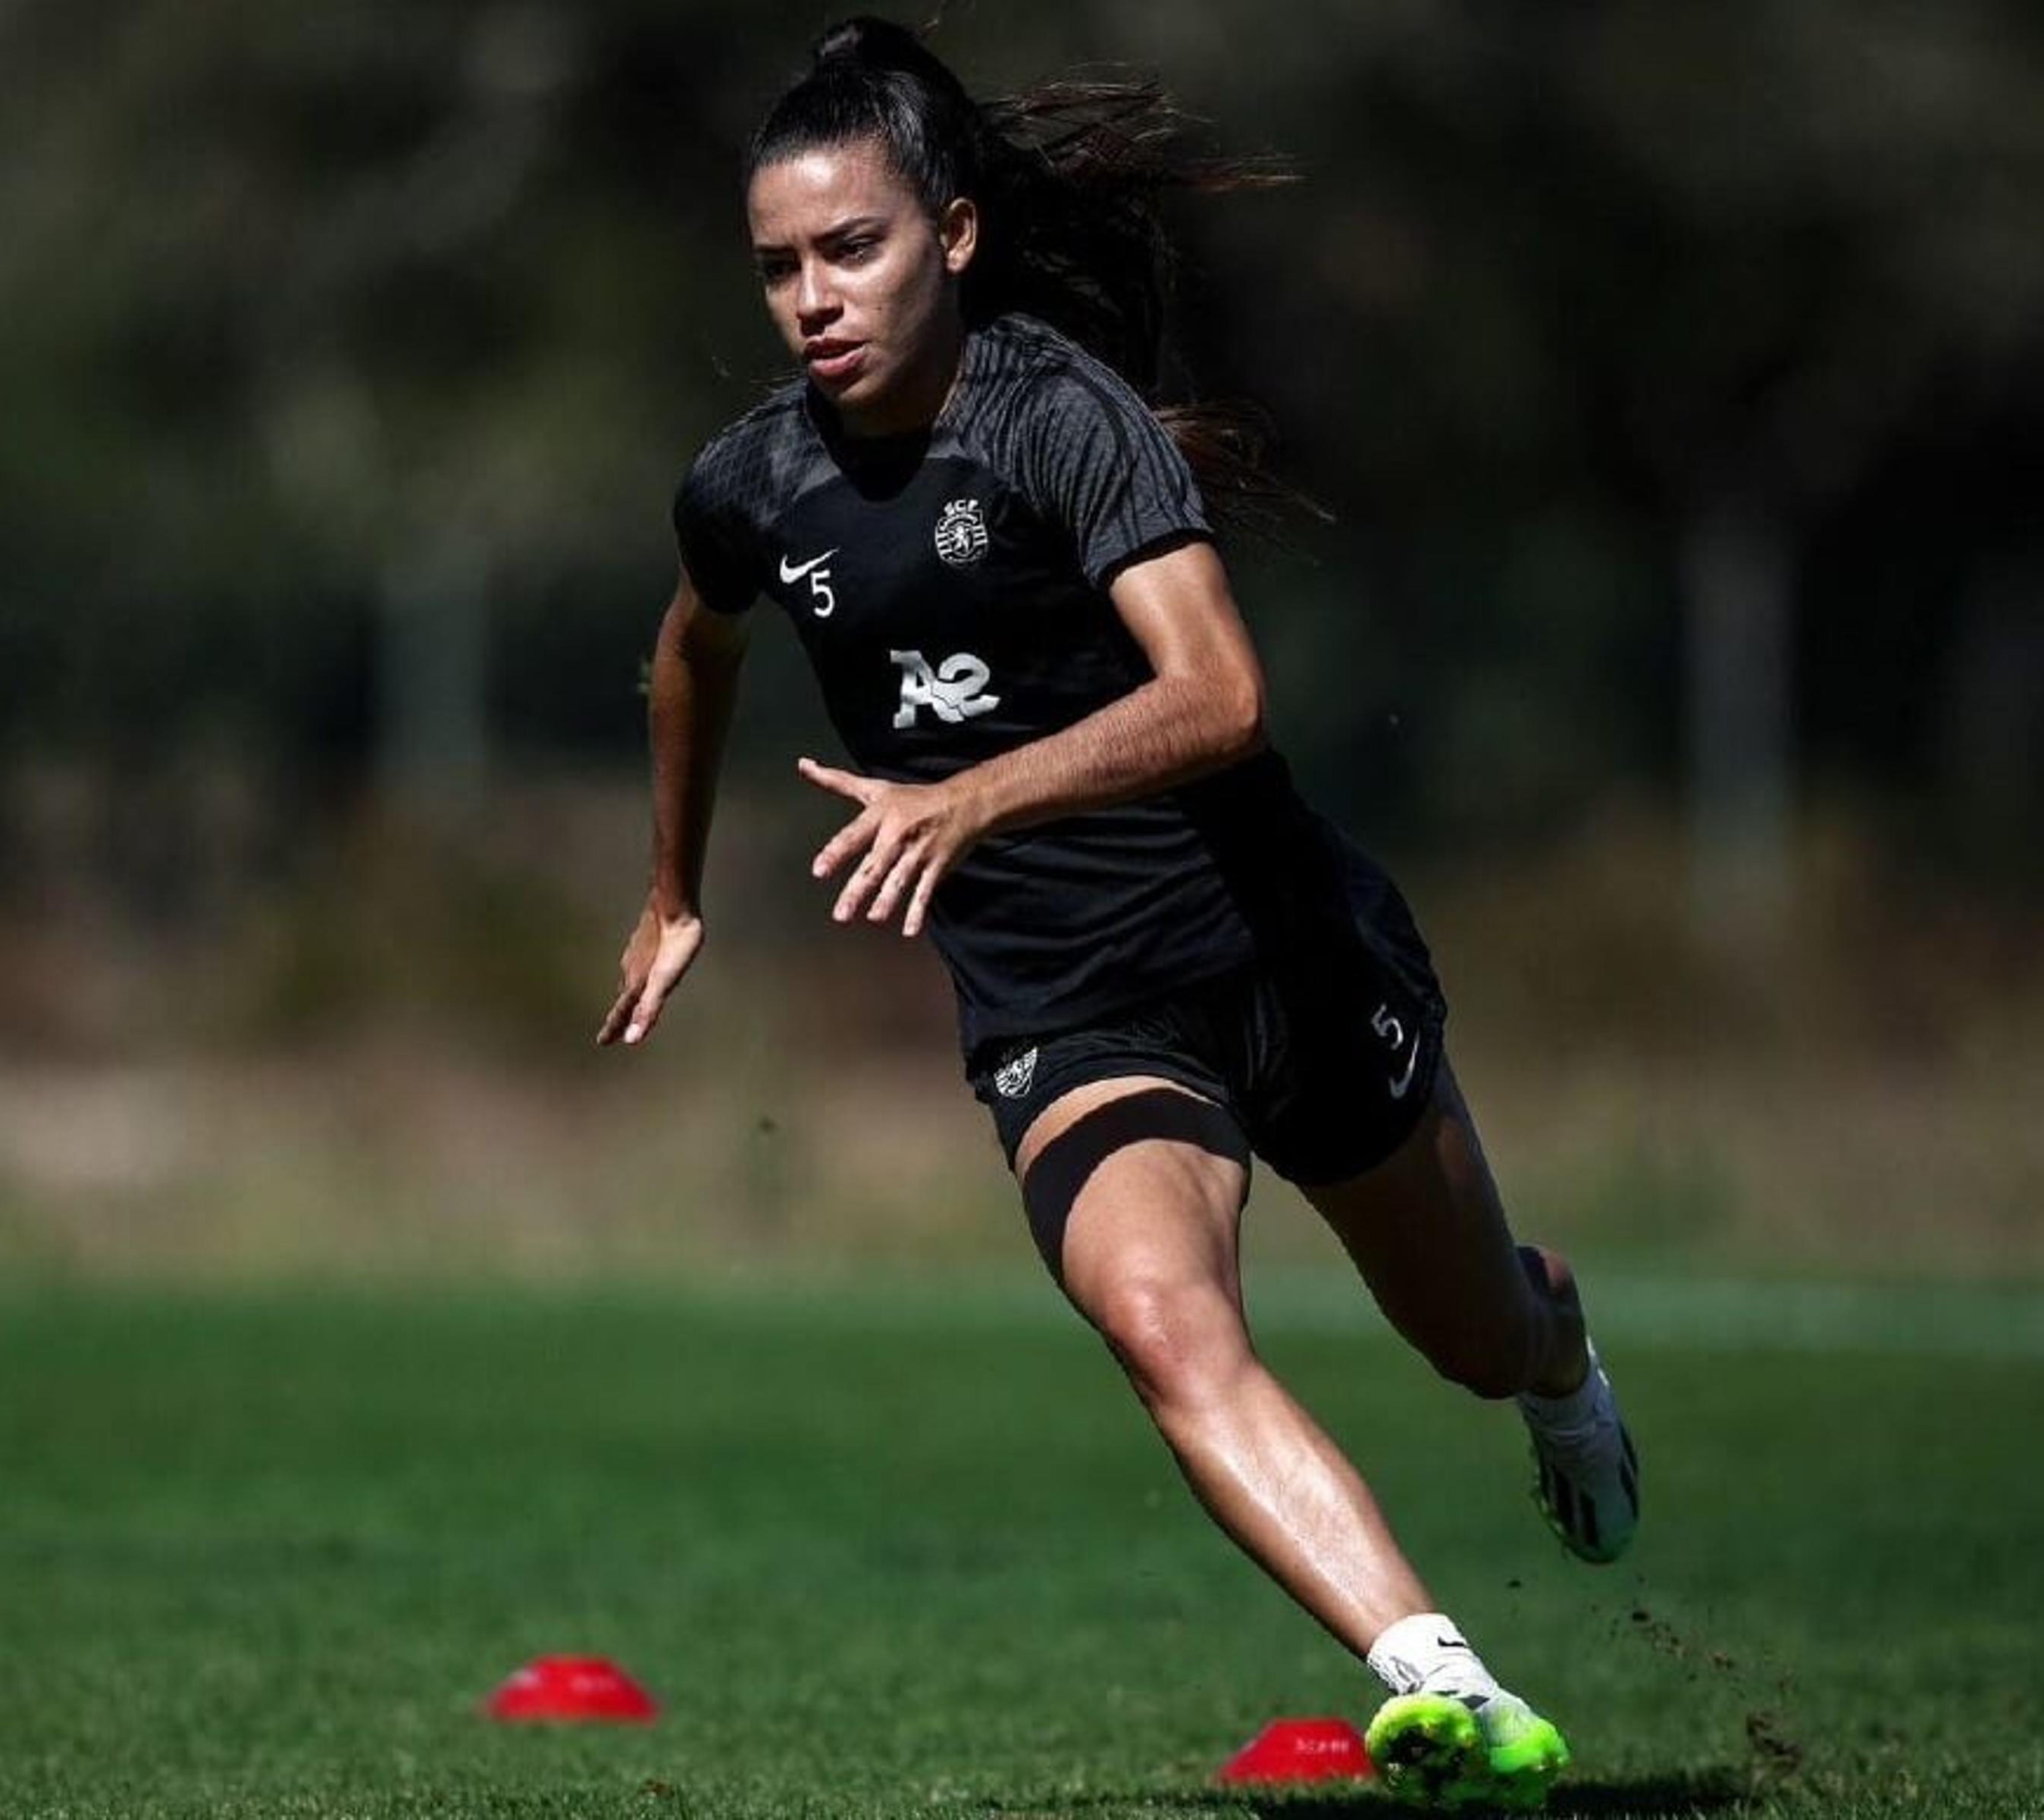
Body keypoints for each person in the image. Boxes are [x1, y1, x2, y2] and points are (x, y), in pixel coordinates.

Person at [594, 19, 1637, 1810]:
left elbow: (1223, 696)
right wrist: (671, 889)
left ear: (957, 234)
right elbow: (691, 646)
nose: (813, 299)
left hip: (1281, 953)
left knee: (1470, 1335)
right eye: (779, 267)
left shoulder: (1059, 420)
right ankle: (1442, 1682)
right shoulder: (753, 482)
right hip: (1072, 1008)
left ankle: (1562, 1353)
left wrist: (972, 794)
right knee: (1162, 1320)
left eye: (854, 248)